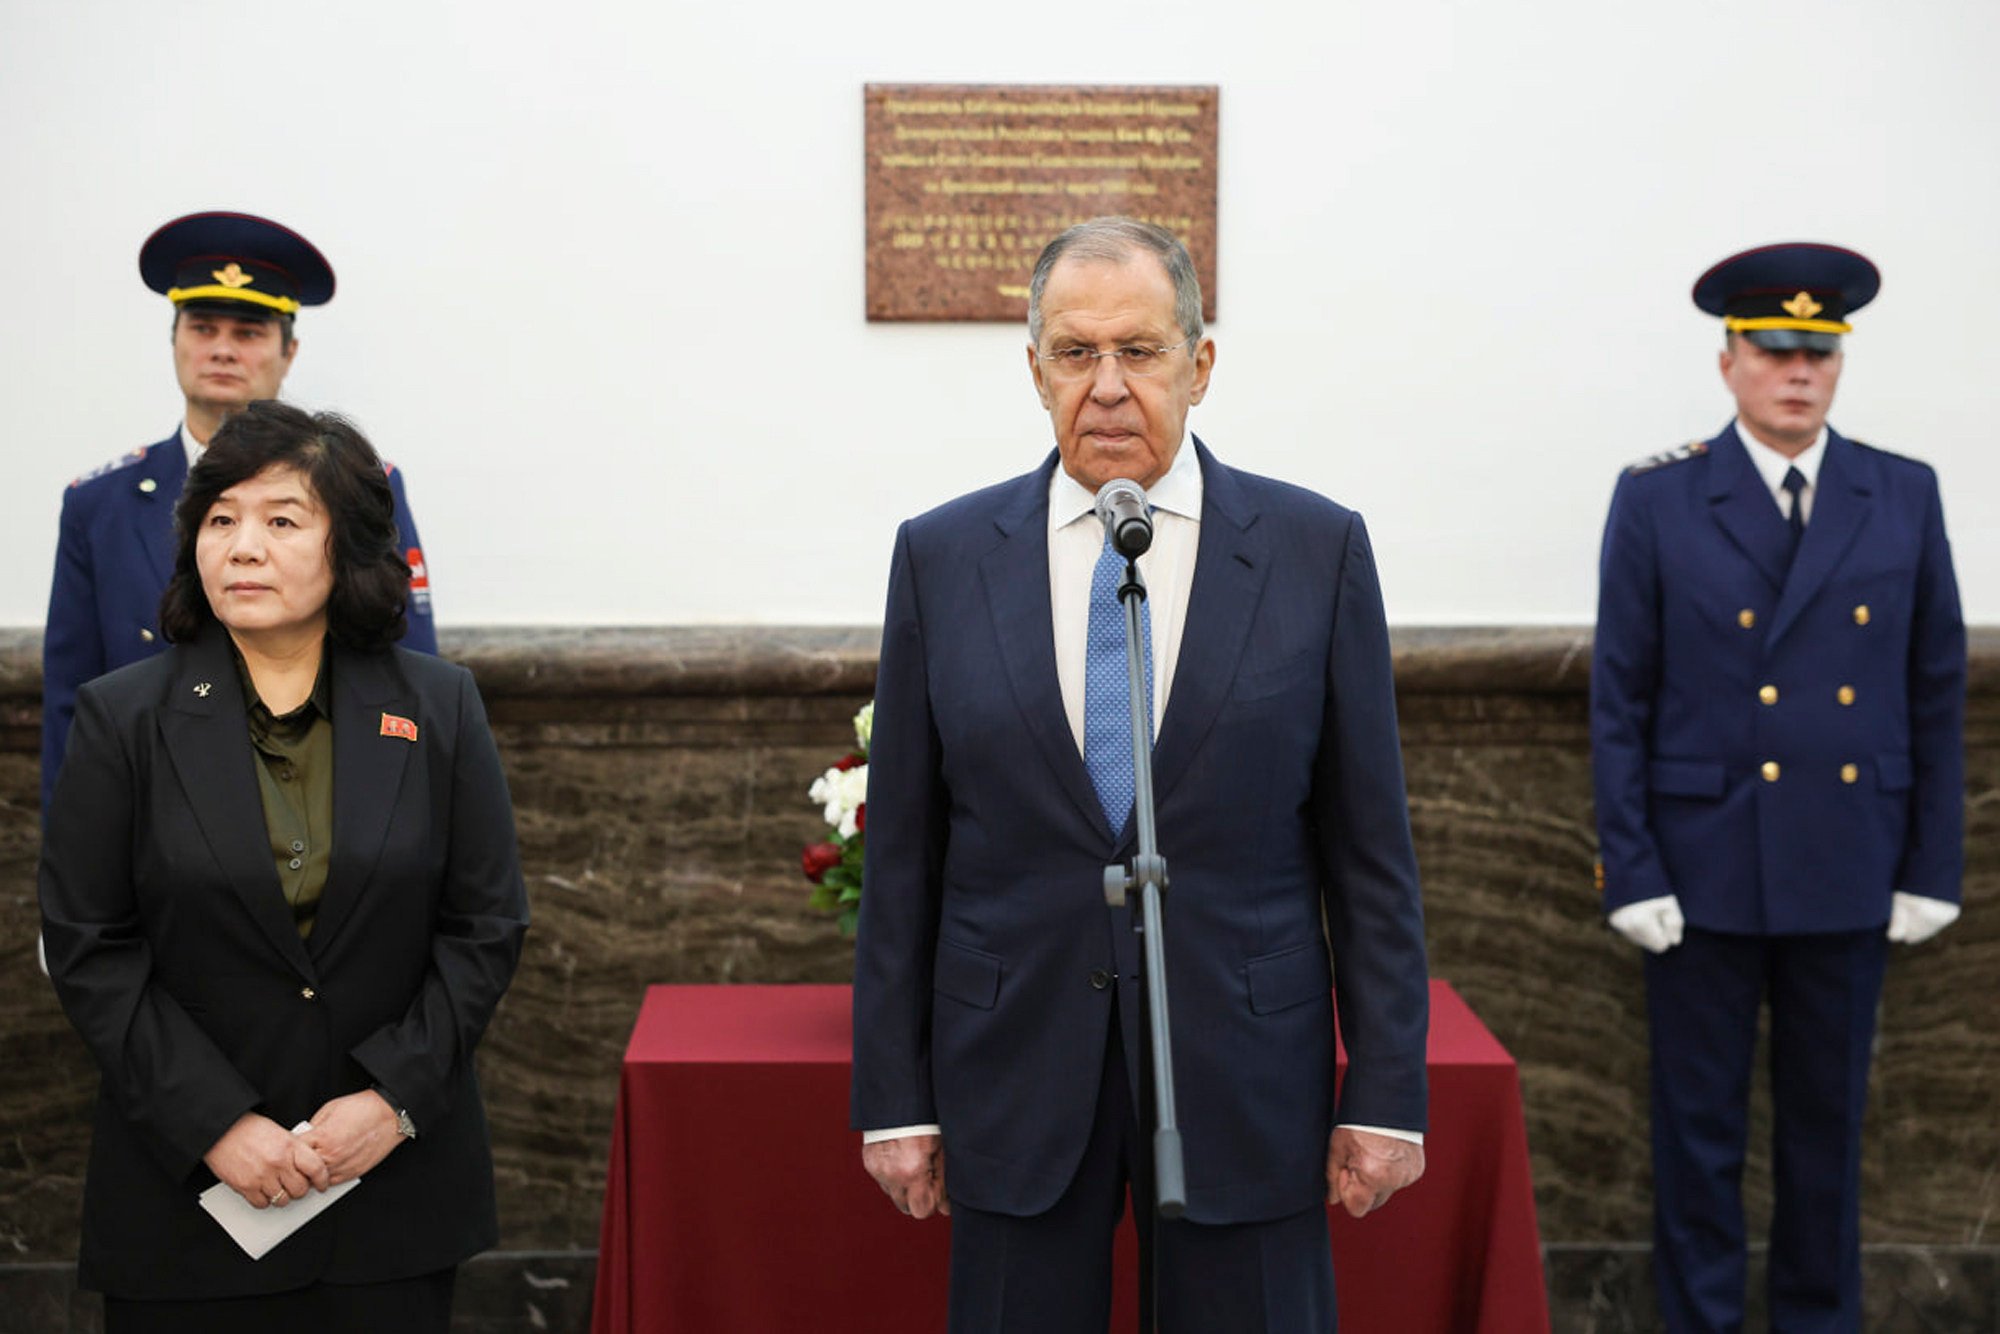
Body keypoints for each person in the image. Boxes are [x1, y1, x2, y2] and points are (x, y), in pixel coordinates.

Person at [851, 217, 1430, 1332]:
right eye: (1074, 353)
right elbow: (905, 851)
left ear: (1198, 364)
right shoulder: (942, 554)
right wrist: (892, 1094)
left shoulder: (1316, 550)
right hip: (1014, 1070)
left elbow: (1368, 853)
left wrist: (1388, 1092)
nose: (1106, 386)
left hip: (1244, 1074)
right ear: (1033, 370)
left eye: (1140, 350)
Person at [38, 401, 528, 1332]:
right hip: (187, 1202)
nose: (243, 547)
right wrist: (216, 1124)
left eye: (281, 520)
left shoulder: (437, 705)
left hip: (391, 1197)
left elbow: (486, 927)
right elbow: (91, 947)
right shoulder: (123, 718)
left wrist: (391, 1102)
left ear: (348, 547)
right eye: (220, 520)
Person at [1591, 241, 1966, 1331]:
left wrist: (1928, 862)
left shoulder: (1897, 491)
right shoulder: (1657, 496)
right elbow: (1619, 694)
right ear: (1727, 365)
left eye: (1817, 351)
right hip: (1699, 868)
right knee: (1696, 1134)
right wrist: (1631, 864)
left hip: (1848, 859)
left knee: (1825, 1133)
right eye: (1772, 351)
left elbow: (1931, 688)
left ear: (1837, 364)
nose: (1796, 371)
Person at [40, 210, 437, 816]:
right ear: (174, 340)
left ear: (289, 350)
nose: (222, 349)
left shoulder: (362, 488)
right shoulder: (99, 506)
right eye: (203, 327)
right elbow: (70, 701)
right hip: (151, 822)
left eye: (249, 331)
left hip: (319, 813)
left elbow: (411, 672)